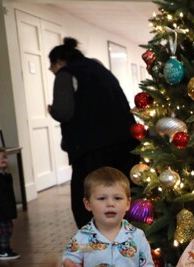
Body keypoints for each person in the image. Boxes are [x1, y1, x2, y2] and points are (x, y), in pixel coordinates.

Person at [48, 37, 139, 229]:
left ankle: (94, 243)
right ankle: (125, 238)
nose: (52, 71)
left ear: (59, 62)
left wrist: (52, 110)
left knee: (89, 195)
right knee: (120, 190)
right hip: (124, 141)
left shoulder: (66, 74)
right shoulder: (99, 69)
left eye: (52, 67)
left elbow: (64, 111)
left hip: (90, 147)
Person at [0, 146, 20, 260]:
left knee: (7, 228)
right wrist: (7, 209)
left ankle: (1, 248)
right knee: (6, 229)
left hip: (1, 209)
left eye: (4, 157)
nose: (1, 159)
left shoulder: (4, 176)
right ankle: (3, 250)